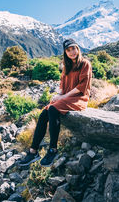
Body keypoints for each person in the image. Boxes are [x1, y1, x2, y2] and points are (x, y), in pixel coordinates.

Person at [19, 38, 92, 167]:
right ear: (65, 52)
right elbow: (62, 84)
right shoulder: (66, 66)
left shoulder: (85, 64)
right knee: (44, 113)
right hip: (66, 97)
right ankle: (33, 151)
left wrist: (62, 98)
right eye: (68, 50)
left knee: (53, 110)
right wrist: (58, 95)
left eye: (73, 48)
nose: (72, 52)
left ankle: (53, 149)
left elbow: (82, 86)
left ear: (78, 49)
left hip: (79, 98)